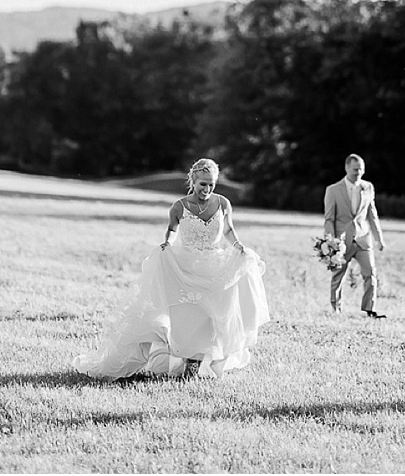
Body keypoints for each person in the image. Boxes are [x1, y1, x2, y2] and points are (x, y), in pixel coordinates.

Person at [73, 158, 269, 380]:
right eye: (203, 184)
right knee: (189, 316)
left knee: (212, 316)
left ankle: (197, 366)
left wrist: (237, 245)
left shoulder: (223, 203)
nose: (207, 189)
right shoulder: (179, 206)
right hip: (185, 266)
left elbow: (229, 230)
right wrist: (167, 243)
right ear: (193, 181)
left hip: (214, 266)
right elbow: (172, 230)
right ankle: (188, 365)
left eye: (211, 185)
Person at [323, 154, 386, 318]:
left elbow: (372, 215)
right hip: (341, 242)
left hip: (363, 239)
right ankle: (335, 309)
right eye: (355, 169)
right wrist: (331, 242)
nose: (359, 172)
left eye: (361, 169)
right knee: (338, 276)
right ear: (346, 168)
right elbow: (329, 218)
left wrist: (379, 238)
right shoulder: (333, 190)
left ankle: (369, 309)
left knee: (370, 273)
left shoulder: (368, 187)